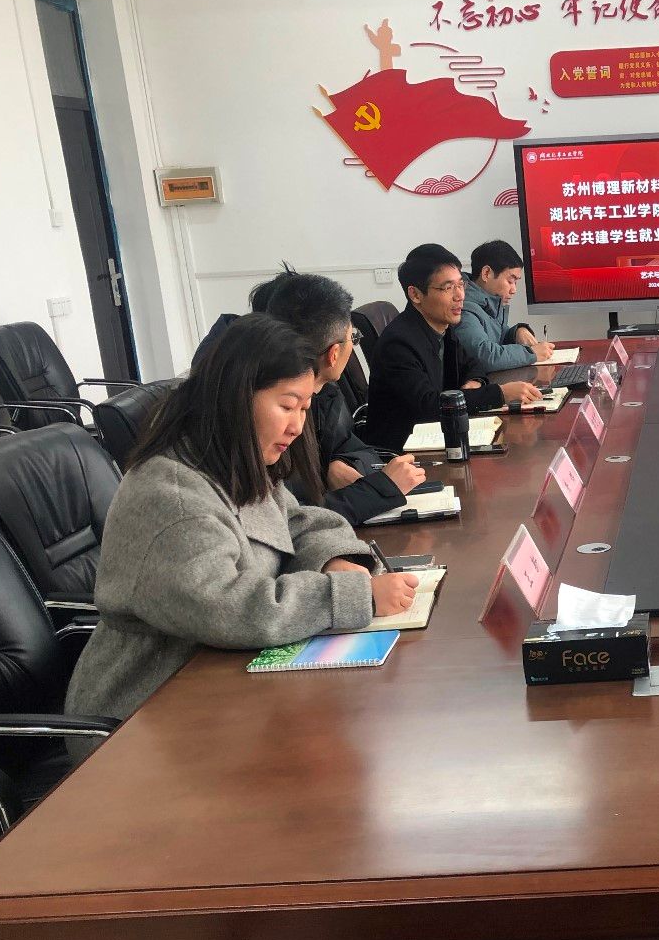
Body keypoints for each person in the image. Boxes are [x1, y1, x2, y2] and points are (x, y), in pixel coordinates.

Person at [65, 314, 418, 721]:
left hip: (224, 682)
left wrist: (335, 560)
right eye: (287, 406)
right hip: (150, 707)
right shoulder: (172, 497)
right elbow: (229, 609)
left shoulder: (230, 460)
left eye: (305, 408)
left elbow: (298, 521)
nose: (297, 426)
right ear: (236, 397)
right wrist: (356, 596)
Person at [258, 270, 428, 523]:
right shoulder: (259, 417)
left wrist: (338, 463)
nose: (296, 427)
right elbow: (288, 520)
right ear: (334, 353)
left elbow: (354, 446)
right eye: (353, 338)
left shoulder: (324, 391)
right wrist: (379, 490)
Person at [362, 243, 542, 451]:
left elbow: (473, 364)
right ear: (416, 295)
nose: (460, 296)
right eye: (448, 288)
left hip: (441, 436)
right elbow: (428, 406)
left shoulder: (442, 327)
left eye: (461, 285)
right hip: (404, 452)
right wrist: (500, 394)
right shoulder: (399, 343)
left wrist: (474, 382)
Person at [452, 239, 554, 374]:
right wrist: (531, 353)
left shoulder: (491, 301)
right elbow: (484, 357)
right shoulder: (464, 309)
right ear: (486, 273)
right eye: (510, 281)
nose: (514, 290)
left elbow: (497, 337)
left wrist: (516, 332)